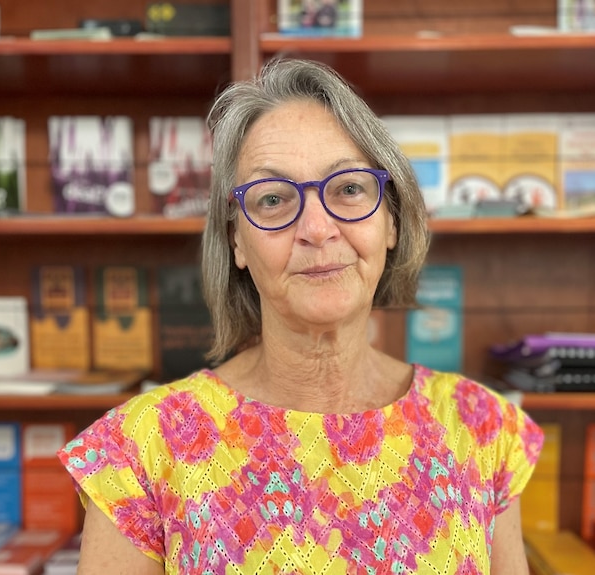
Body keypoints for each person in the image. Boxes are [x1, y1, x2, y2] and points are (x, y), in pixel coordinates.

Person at [58, 58, 544, 574]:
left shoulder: (484, 430)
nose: (317, 228)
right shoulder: (139, 451)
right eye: (273, 199)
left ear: (392, 222)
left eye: (349, 189)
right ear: (236, 240)